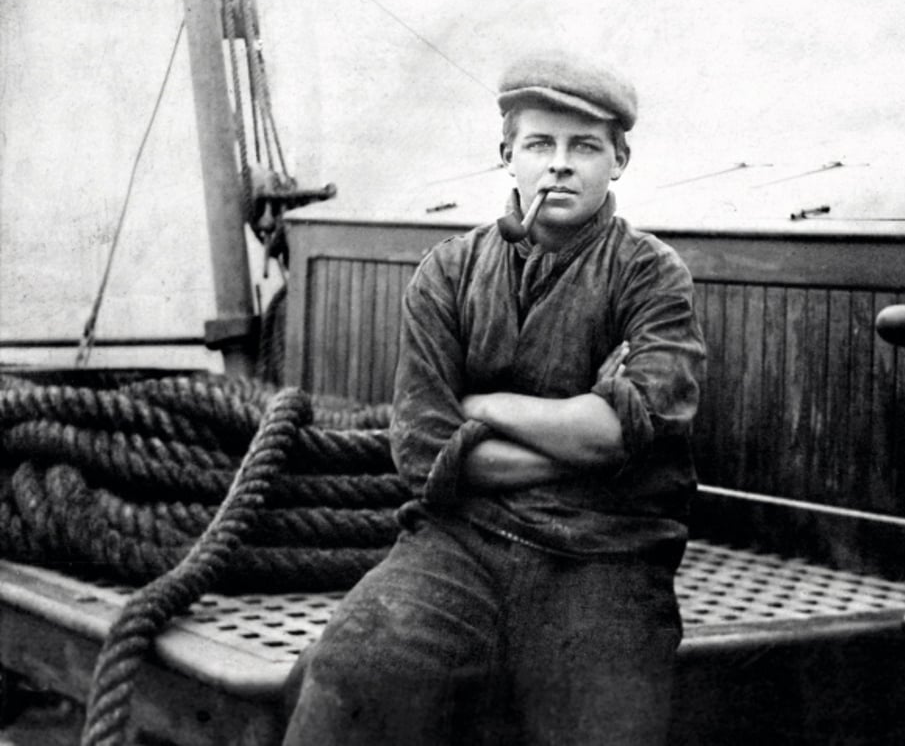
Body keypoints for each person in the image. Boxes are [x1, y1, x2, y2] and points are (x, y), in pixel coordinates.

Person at [282, 50, 706, 745]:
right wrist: (582, 434)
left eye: (584, 146)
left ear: (619, 160)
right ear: (507, 154)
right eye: (540, 143)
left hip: (605, 554)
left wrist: (481, 405)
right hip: (459, 543)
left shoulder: (652, 276)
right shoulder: (447, 273)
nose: (560, 164)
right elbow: (421, 450)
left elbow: (620, 431)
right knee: (350, 675)